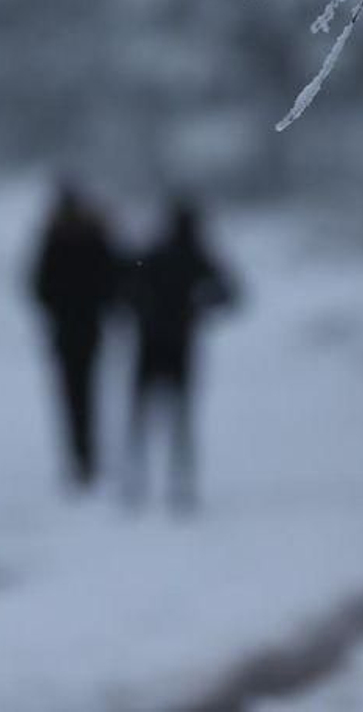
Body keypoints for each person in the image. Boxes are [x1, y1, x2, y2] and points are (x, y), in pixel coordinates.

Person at [124, 198, 237, 513]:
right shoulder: (198, 257)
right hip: (179, 345)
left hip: (150, 344)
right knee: (180, 419)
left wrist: (142, 311)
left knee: (141, 417)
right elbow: (230, 294)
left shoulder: (154, 253)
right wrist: (198, 308)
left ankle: (136, 483)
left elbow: (126, 286)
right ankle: (180, 485)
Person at [29, 182, 120, 491]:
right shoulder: (94, 236)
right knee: (87, 393)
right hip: (89, 328)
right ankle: (86, 456)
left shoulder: (54, 239)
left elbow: (38, 287)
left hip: (66, 330)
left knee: (72, 396)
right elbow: (113, 279)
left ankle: (80, 457)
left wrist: (59, 307)